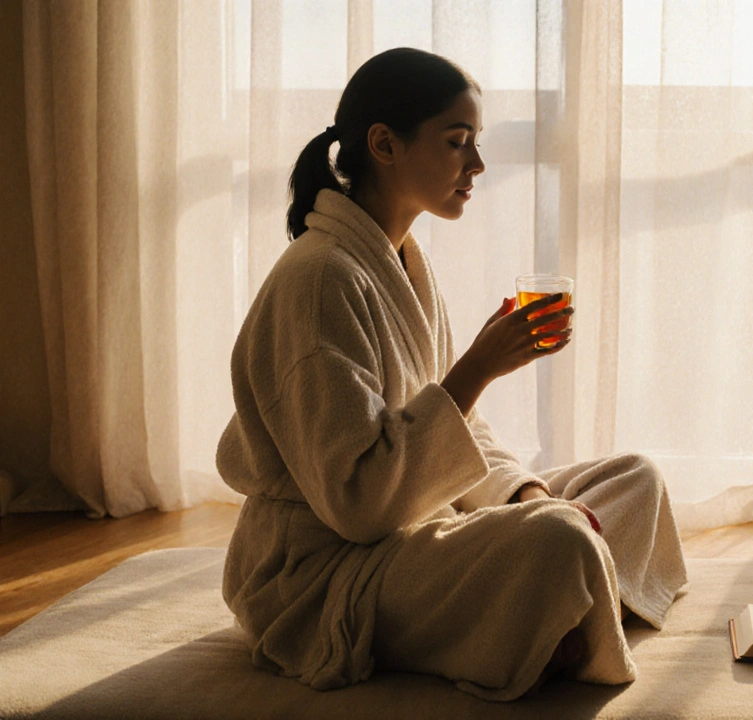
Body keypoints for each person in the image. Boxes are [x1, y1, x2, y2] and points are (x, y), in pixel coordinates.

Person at [216, 47, 687, 702]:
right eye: (457, 141)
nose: (477, 165)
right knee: (560, 542)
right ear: (385, 144)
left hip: (416, 531)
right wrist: (477, 369)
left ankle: (558, 615)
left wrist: (526, 495)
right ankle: (562, 610)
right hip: (326, 574)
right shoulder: (320, 280)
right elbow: (360, 504)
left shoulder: (402, 263)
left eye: (476, 142)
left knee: (635, 479)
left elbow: (459, 435)